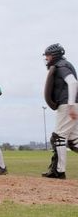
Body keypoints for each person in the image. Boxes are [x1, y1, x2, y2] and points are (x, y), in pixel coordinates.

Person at [41, 43, 78, 179]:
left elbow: (73, 82)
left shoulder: (61, 65)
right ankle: (58, 170)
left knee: (59, 138)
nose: (47, 58)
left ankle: (59, 171)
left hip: (67, 105)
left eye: (48, 56)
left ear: (54, 55)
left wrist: (70, 105)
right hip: (71, 104)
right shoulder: (65, 64)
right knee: (73, 140)